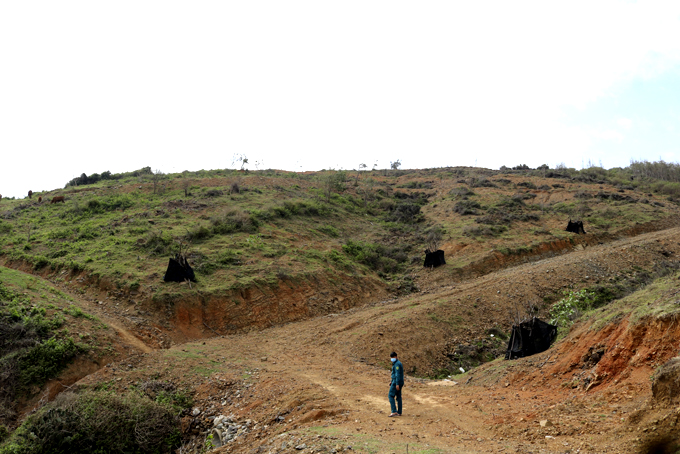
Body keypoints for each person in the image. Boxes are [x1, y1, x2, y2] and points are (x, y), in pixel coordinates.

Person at [388, 351, 404, 417]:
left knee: (390, 395)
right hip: (398, 381)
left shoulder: (397, 364)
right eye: (391, 357)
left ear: (396, 357)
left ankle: (394, 411)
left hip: (397, 382)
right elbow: (395, 374)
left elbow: (397, 374)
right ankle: (399, 412)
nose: (392, 359)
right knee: (398, 396)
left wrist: (396, 383)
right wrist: (391, 381)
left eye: (393, 357)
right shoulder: (396, 363)